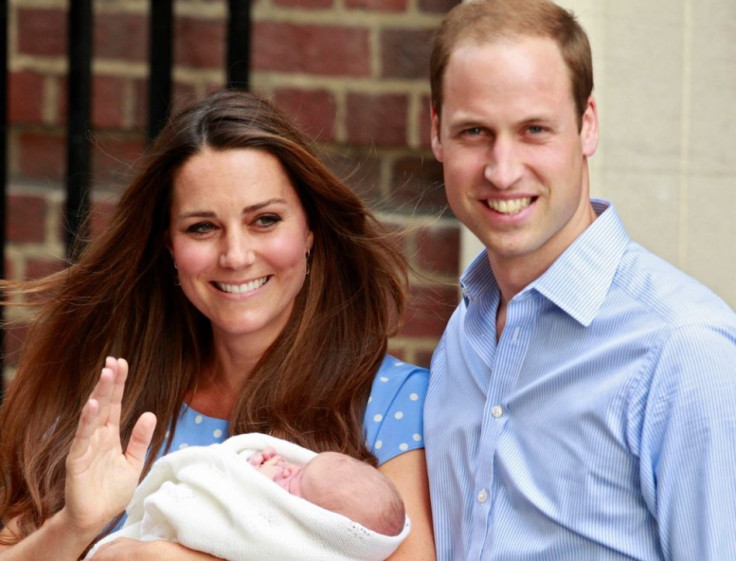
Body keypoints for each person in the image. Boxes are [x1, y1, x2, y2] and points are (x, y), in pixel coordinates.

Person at [0, 90, 435, 560]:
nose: (236, 256)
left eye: (265, 220)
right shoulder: (106, 397)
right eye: (202, 228)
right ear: (169, 245)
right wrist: (74, 527)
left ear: (310, 231)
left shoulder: (395, 403)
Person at [424, 0, 736, 560]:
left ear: (587, 125)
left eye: (534, 130)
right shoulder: (463, 336)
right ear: (437, 134)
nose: (502, 169)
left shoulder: (684, 350)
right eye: (474, 132)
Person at [86, 433, 409, 560]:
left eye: (293, 481)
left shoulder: (291, 544)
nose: (283, 466)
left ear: (315, 523)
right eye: (298, 466)